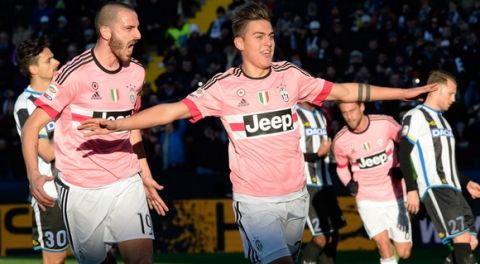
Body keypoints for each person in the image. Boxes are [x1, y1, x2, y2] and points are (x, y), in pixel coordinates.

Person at [78, 3, 436, 264]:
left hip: (296, 197)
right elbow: (172, 110)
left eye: (271, 36)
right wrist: (121, 123)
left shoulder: (291, 77)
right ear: (239, 43)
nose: (268, 43)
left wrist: (400, 93)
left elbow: (344, 91)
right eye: (259, 36)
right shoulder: (223, 87)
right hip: (255, 203)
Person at [21, 2, 168, 264]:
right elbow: (32, 127)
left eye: (138, 28)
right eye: (129, 28)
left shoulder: (136, 72)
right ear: (106, 32)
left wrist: (145, 174)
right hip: (80, 188)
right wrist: (34, 176)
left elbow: (132, 125)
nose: (138, 35)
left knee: (142, 260)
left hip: (126, 182)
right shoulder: (73, 73)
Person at [399, 70, 480, 264]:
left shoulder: (443, 120)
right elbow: (403, 153)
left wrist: (466, 182)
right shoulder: (416, 116)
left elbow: (447, 163)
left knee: (471, 241)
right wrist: (412, 189)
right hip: (437, 188)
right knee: (463, 245)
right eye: (451, 93)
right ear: (436, 89)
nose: (454, 99)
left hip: (456, 190)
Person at [332, 102, 412, 264]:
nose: (349, 116)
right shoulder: (340, 140)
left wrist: (402, 168)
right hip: (366, 198)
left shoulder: (384, 123)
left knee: (404, 252)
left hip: (395, 193)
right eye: (344, 113)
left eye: (352, 110)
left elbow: (406, 145)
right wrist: (349, 183)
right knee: (382, 244)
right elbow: (341, 168)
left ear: (362, 107)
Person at [13, 37, 68, 264]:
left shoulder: (66, 93)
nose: (56, 62)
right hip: (51, 193)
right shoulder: (26, 104)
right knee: (56, 260)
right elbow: (46, 151)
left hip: (84, 187)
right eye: (49, 60)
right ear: (33, 69)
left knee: (103, 256)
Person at [296, 102, 346, 264]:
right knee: (321, 238)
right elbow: (288, 153)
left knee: (334, 235)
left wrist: (333, 155)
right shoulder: (293, 114)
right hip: (308, 184)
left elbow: (324, 147)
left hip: (326, 183)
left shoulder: (321, 115)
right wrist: (316, 155)